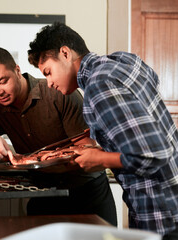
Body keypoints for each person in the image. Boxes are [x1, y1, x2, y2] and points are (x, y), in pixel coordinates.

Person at [27, 22, 178, 239]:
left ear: (65, 53)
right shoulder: (123, 61)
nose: (49, 83)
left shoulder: (99, 84)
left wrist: (100, 159)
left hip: (159, 211)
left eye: (48, 72)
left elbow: (154, 154)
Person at [0, 47, 117, 226]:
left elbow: (86, 149)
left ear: (17, 70)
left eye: (2, 81)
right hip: (44, 193)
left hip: (86, 191)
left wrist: (44, 159)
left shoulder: (58, 92)